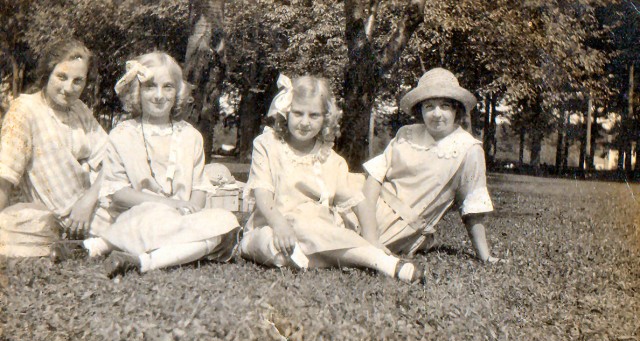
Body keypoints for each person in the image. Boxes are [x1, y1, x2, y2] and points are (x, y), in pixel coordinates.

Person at [238, 74, 424, 283]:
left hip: (314, 229)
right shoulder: (267, 144)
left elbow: (359, 202)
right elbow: (262, 194)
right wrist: (280, 225)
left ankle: (379, 260)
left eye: (314, 115)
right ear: (286, 112)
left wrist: (372, 239)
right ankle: (346, 258)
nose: (305, 122)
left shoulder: (330, 159)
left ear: (325, 118)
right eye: (298, 113)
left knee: (304, 224)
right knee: (263, 242)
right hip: (272, 226)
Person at [94, 52, 239, 277]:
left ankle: (139, 260)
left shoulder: (190, 136)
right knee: (155, 217)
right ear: (137, 91)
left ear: (178, 92)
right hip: (141, 216)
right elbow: (119, 193)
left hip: (181, 219)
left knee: (227, 222)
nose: (159, 96)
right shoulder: (122, 135)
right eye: (150, 87)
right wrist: (167, 204)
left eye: (168, 87)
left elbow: (199, 188)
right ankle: (152, 257)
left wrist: (191, 210)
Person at [359, 68, 501, 262]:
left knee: (331, 240)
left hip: (398, 225)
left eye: (445, 106)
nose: (437, 114)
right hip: (367, 204)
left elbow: (472, 206)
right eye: (429, 106)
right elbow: (374, 177)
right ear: (421, 110)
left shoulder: (468, 149)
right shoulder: (406, 134)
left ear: (456, 110)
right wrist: (369, 229)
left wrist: (485, 256)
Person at [0, 38, 110, 258]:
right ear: (47, 73)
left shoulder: (79, 110)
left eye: (78, 81)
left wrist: (87, 201)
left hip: (94, 204)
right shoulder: (25, 109)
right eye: (62, 77)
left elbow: (114, 159)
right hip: (64, 217)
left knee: (148, 216)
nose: (68, 88)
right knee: (146, 225)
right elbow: (5, 175)